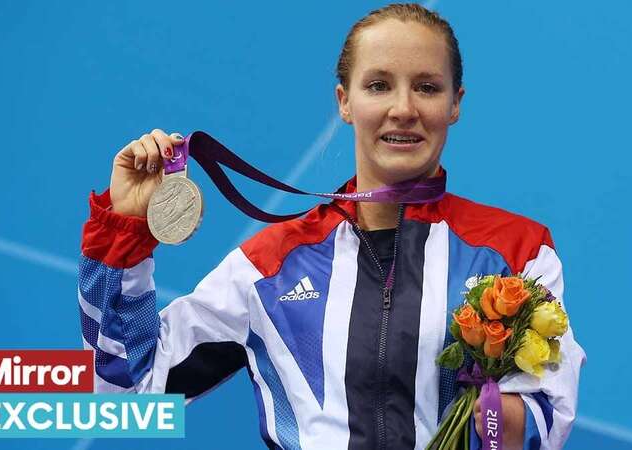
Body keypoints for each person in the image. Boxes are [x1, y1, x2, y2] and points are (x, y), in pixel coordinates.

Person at [78, 3, 585, 449]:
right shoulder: (269, 268)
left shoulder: (514, 251)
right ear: (345, 102)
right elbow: (127, 394)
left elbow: (544, 412)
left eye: (427, 88)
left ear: (455, 103)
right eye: (379, 85)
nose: (403, 109)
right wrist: (125, 231)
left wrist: (504, 420)